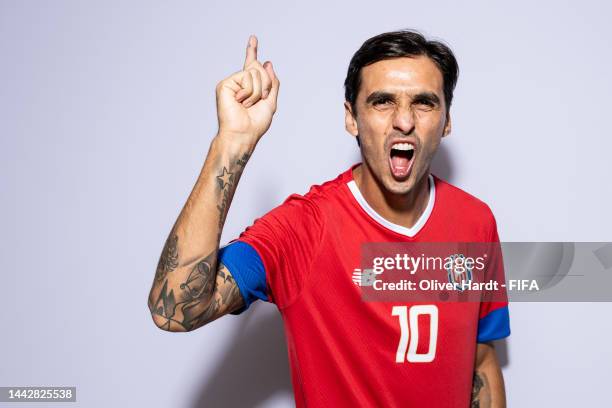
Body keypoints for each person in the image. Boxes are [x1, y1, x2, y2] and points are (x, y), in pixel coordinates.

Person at [148, 29, 510, 407]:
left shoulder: (476, 222)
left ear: (447, 121)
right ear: (351, 118)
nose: (404, 120)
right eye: (382, 102)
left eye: (424, 103)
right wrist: (232, 142)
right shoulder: (303, 228)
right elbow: (173, 312)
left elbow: (481, 360)